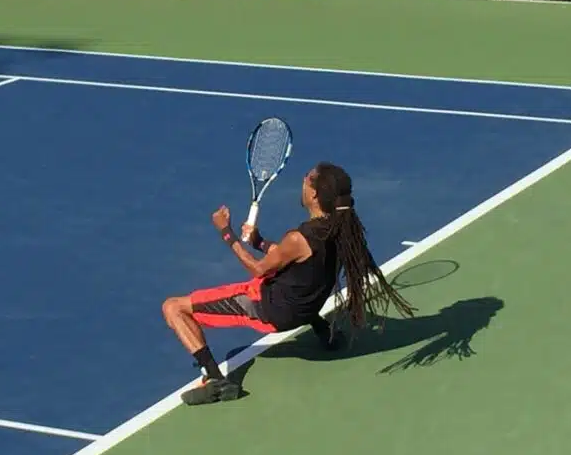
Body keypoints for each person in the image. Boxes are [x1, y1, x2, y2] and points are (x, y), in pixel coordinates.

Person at [162, 162, 415, 406]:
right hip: (305, 306)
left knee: (173, 308)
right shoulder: (341, 229)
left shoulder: (299, 238)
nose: (302, 182)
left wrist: (227, 234)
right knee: (298, 277)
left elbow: (258, 268)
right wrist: (259, 241)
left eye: (307, 178)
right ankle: (322, 329)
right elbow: (292, 259)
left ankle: (216, 382)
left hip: (271, 310)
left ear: (314, 194)